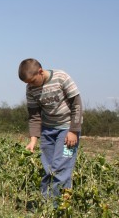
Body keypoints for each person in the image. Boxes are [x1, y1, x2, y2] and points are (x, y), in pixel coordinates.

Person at [18, 58, 83, 200]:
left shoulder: (61, 78)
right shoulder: (30, 88)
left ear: (40, 72)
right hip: (48, 130)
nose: (30, 85)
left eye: (33, 81)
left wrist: (73, 131)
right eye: (27, 83)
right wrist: (33, 140)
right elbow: (34, 115)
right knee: (48, 168)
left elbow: (77, 105)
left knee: (61, 168)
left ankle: (54, 206)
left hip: (67, 129)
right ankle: (53, 203)